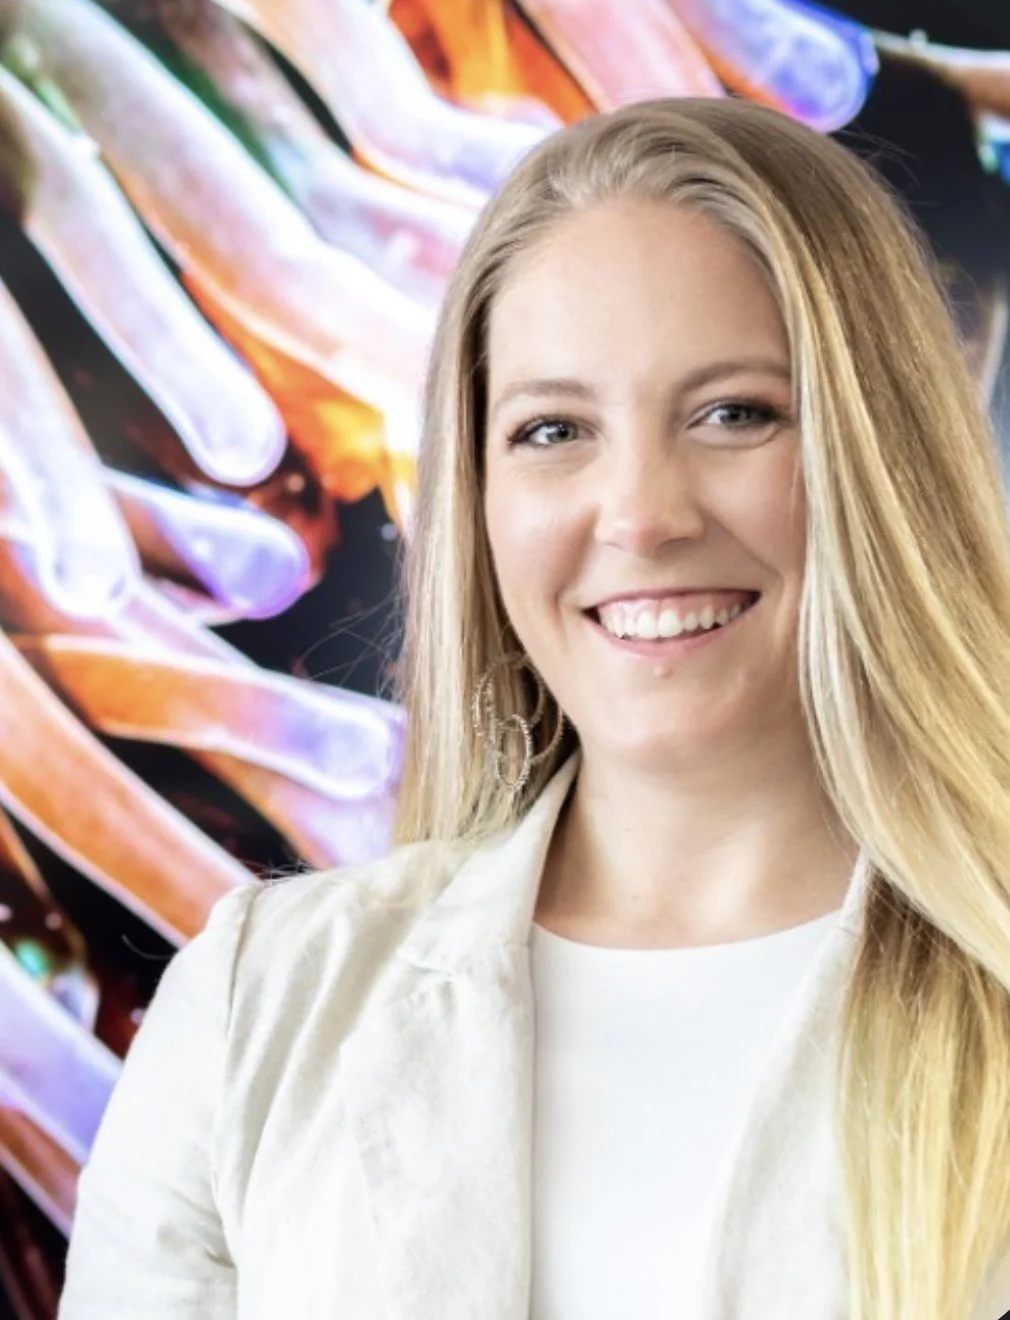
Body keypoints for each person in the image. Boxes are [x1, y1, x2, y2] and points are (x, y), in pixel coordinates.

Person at [58, 96, 1010, 1320]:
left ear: (881, 455)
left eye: (734, 414)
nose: (640, 515)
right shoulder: (255, 1003)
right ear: (479, 497)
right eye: (553, 430)